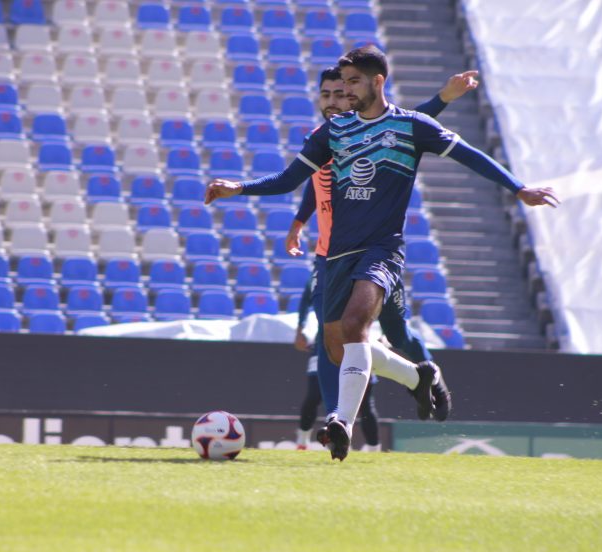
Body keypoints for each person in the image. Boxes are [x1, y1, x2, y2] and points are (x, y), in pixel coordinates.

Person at [206, 45, 558, 461]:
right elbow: (289, 179)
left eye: (353, 82)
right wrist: (240, 188)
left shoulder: (412, 127)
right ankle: (417, 376)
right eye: (341, 83)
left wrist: (518, 189)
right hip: (337, 255)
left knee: (357, 325)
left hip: (382, 249)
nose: (345, 90)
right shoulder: (332, 133)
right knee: (338, 346)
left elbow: (469, 156)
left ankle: (341, 423)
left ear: (377, 81)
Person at [286, 66, 479, 445]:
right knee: (335, 342)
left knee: (397, 334)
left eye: (340, 94)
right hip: (332, 257)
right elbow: (316, 182)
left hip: (375, 254)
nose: (333, 101)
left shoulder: (371, 132)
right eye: (326, 95)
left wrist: (442, 98)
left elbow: (409, 124)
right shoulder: (324, 139)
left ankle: (427, 375)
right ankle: (340, 417)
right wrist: (299, 221)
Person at [294, 275, 380, 451]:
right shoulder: (320, 271)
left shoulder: (363, 270)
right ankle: (302, 442)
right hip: (324, 343)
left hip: (359, 343)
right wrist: (300, 328)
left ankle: (374, 450)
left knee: (365, 403)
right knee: (314, 396)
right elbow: (305, 300)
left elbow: (382, 299)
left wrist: (386, 333)